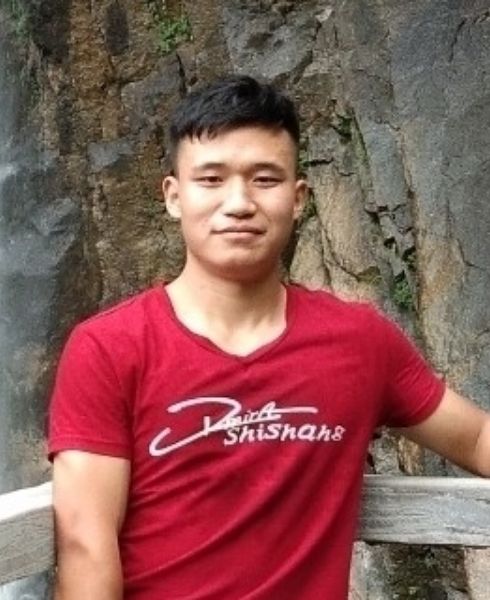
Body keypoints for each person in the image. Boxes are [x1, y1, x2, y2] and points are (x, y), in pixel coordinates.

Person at [48, 75, 490, 600]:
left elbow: (475, 438)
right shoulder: (108, 348)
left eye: (264, 179)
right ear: (173, 196)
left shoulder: (359, 342)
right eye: (211, 179)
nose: (238, 202)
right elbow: (86, 545)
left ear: (298, 198)